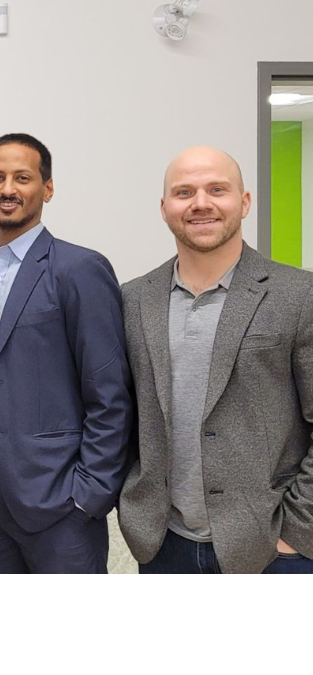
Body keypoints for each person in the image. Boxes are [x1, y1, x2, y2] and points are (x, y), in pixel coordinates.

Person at [0, 133, 133, 574]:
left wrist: (89, 494)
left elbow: (110, 393)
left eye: (22, 178)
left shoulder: (79, 269)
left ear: (48, 188)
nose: (8, 189)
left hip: (58, 496)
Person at [119, 146, 313, 574]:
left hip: (271, 547)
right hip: (164, 545)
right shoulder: (132, 300)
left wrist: (297, 531)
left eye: (217, 189)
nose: (201, 203)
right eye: (184, 192)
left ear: (244, 202)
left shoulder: (299, 295)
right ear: (165, 207)